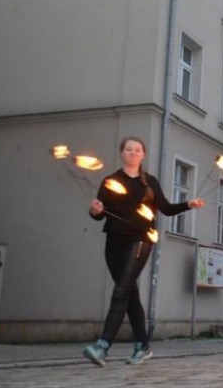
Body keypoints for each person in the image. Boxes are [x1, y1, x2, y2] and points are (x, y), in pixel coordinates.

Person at [83, 137, 205, 366]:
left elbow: (166, 209)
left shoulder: (149, 182)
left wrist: (189, 204)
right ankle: (143, 345)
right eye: (128, 149)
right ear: (121, 153)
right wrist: (94, 210)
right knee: (129, 293)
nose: (132, 152)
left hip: (141, 239)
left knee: (121, 291)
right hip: (114, 241)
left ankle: (102, 346)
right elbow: (100, 213)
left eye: (137, 149)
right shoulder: (111, 180)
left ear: (143, 155)